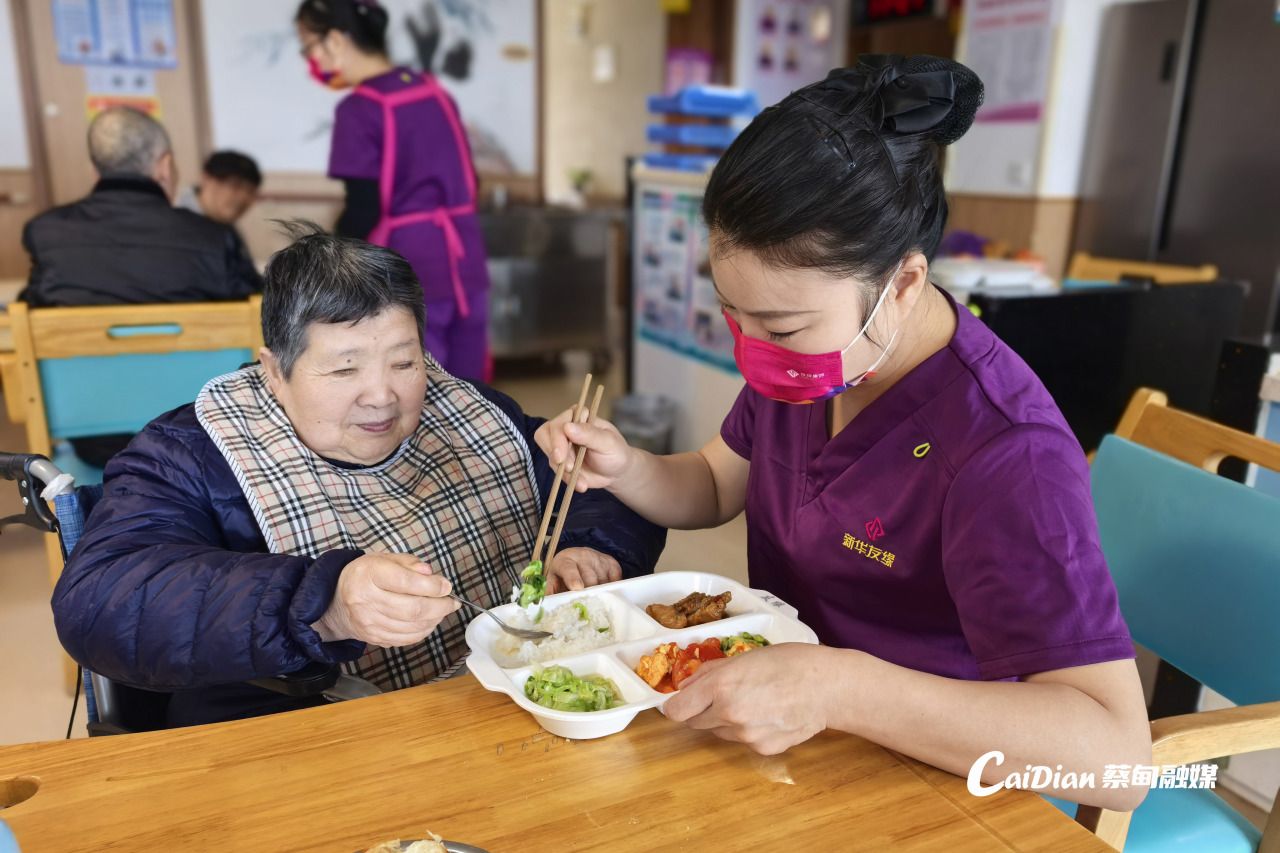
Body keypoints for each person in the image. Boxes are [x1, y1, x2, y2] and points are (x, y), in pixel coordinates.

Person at [536, 56, 1151, 810]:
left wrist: (841, 684)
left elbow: (1118, 762)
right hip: (778, 744)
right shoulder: (821, 365)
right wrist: (626, 466)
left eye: (782, 325)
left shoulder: (1005, 451)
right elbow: (715, 480)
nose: (753, 349)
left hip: (929, 787)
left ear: (904, 283)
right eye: (735, 316)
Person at [51, 225, 665, 728]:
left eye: (404, 361)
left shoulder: (468, 410)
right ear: (273, 369)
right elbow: (100, 600)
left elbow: (590, 485)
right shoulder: (190, 452)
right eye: (344, 370)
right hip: (311, 729)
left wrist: (591, 548)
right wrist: (323, 605)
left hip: (505, 709)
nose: (383, 396)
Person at [21, 107, 264, 467]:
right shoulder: (214, 239)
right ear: (164, 166)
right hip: (200, 441)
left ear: (95, 170)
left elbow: (27, 314)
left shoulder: (46, 233)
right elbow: (260, 317)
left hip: (95, 450)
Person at [296, 0, 490, 381]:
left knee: (417, 389)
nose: (311, 60)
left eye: (309, 47)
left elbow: (363, 209)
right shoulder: (434, 91)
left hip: (408, 264)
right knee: (469, 393)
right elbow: (473, 180)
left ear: (335, 41)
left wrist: (327, 267)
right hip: (465, 258)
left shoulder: (360, 108)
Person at [177, 149, 263, 228]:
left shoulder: (222, 223)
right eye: (235, 185)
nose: (243, 197)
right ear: (206, 179)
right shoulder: (176, 226)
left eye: (251, 191)